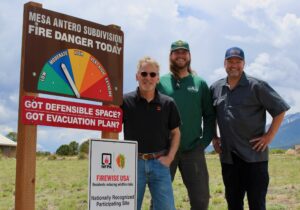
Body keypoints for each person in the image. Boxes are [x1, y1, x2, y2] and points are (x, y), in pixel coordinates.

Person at [210, 47, 290, 210]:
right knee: (233, 204)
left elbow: (280, 110)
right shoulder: (215, 88)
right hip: (229, 159)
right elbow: (211, 115)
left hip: (254, 157)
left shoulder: (257, 86)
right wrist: (214, 137)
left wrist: (268, 137)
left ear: (244, 64)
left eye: (238, 62)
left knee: (257, 204)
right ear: (224, 63)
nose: (234, 65)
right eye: (230, 61)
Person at [157, 40, 215, 210]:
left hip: (193, 150)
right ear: (171, 56)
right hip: (165, 150)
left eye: (184, 52)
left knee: (201, 199)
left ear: (189, 56)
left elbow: (210, 115)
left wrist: (203, 142)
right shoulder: (161, 82)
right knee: (159, 198)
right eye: (177, 52)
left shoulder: (200, 84)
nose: (180, 55)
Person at [122, 56, 181, 210]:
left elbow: (176, 133)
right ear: (137, 76)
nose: (148, 77)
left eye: (152, 74)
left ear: (157, 79)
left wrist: (170, 157)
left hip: (160, 163)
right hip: (133, 164)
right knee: (129, 207)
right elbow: (111, 128)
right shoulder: (124, 102)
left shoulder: (168, 103)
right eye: (144, 74)